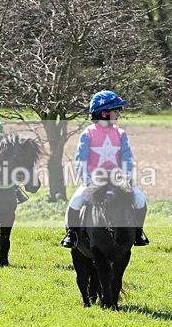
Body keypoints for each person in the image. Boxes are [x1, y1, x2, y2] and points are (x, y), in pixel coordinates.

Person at [60, 90, 149, 248]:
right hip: (95, 180)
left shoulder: (121, 134)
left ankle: (138, 231)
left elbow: (127, 158)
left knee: (140, 199)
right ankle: (71, 234)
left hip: (118, 181)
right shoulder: (87, 134)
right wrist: (87, 180)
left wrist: (126, 178)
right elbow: (81, 160)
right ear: (104, 113)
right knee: (75, 202)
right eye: (116, 111)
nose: (118, 115)